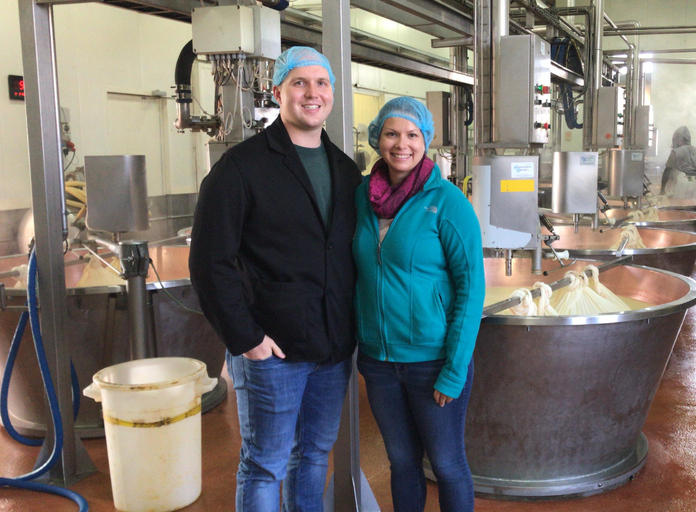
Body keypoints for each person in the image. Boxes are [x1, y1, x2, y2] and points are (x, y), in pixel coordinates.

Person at [188, 46, 361, 512]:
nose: (312, 93)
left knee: (314, 456)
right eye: (299, 83)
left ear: (331, 94)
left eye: (321, 83)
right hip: (273, 350)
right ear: (278, 91)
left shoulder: (346, 170)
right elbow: (209, 263)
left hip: (332, 347)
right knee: (265, 464)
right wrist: (248, 340)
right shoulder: (240, 168)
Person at [352, 97, 485, 512]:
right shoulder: (362, 198)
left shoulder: (446, 201)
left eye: (412, 135)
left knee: (446, 465)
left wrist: (454, 369)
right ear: (378, 138)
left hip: (432, 362)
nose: (401, 144)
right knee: (402, 462)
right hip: (378, 361)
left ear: (425, 140)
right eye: (392, 133)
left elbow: (471, 287)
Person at [660, 126, 696, 198]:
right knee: (694, 205)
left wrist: (662, 189)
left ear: (678, 139)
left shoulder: (675, 152)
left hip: (681, 183)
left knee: (680, 206)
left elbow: (667, 171)